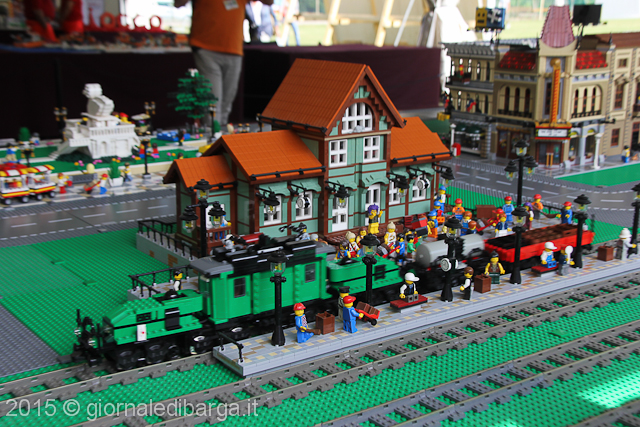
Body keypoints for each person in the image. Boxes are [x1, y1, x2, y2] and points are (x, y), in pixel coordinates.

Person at [174, 0, 274, 129]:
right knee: (212, 104)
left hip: (234, 49)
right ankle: (213, 135)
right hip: (206, 48)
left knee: (225, 105)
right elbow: (178, 3)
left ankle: (219, 137)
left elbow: (269, 1)